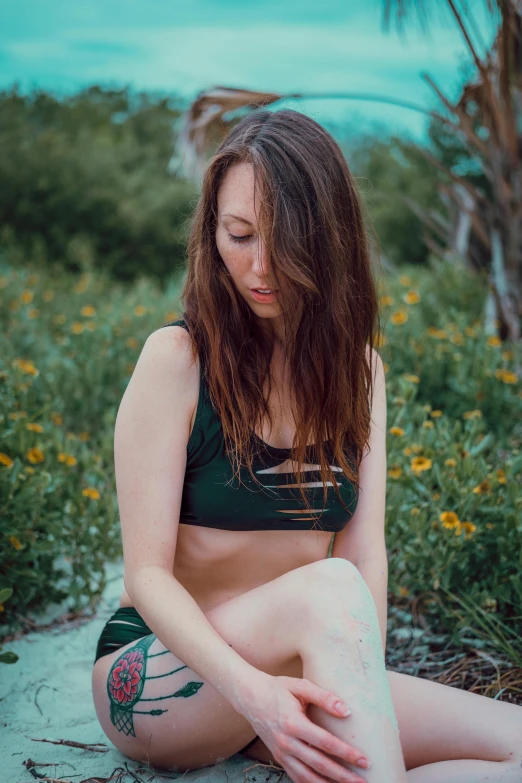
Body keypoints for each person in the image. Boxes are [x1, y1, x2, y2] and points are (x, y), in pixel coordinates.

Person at [91, 109, 522, 783]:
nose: (259, 266)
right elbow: (146, 575)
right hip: (160, 680)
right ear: (212, 233)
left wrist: (358, 696)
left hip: (298, 669)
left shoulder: (361, 372)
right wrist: (253, 693)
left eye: (285, 240)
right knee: (328, 588)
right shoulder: (176, 360)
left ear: (330, 238)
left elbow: (364, 551)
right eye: (238, 235)